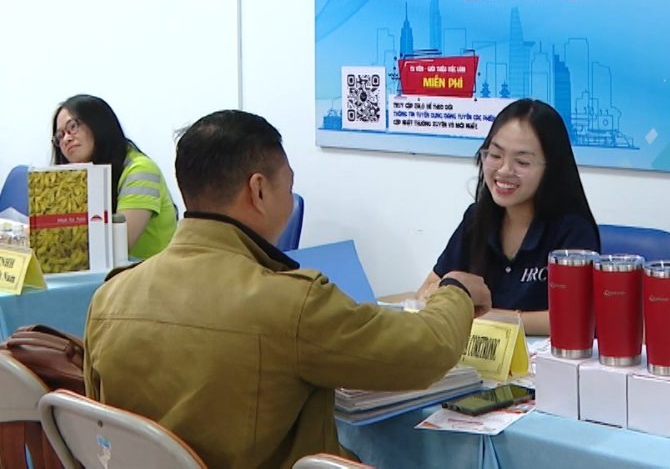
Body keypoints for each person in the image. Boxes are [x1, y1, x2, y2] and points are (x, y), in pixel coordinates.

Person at [84, 110, 491, 469]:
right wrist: (455, 291)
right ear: (258, 190)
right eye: (288, 187)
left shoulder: (110, 295)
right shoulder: (289, 302)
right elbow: (425, 350)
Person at [416, 98, 600, 335]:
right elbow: (427, 290)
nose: (504, 170)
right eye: (495, 155)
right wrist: (435, 296)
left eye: (522, 162)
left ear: (551, 168)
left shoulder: (573, 230)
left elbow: (573, 319)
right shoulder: (476, 218)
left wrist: (483, 316)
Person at [51, 94, 177, 259]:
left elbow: (117, 247)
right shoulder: (81, 177)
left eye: (73, 127)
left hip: (147, 272)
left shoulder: (140, 170)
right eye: (60, 136)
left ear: (97, 123)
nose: (66, 139)